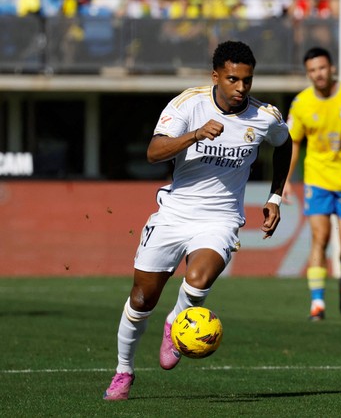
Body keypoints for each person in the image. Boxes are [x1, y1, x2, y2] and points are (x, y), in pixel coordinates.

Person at [103, 40, 293, 401]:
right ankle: (123, 372)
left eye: (247, 81)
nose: (241, 88)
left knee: (198, 279)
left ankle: (175, 322)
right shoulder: (187, 104)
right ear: (216, 76)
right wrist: (194, 135)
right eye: (233, 79)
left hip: (220, 219)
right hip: (174, 214)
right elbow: (153, 152)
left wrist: (274, 197)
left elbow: (285, 144)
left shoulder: (264, 116)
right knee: (142, 299)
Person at [284, 47, 341, 321]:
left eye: (322, 68)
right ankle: (317, 304)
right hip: (317, 179)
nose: (318, 74)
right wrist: (285, 179)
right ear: (307, 73)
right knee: (319, 239)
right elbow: (293, 143)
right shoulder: (301, 104)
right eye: (312, 70)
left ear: (331, 68)